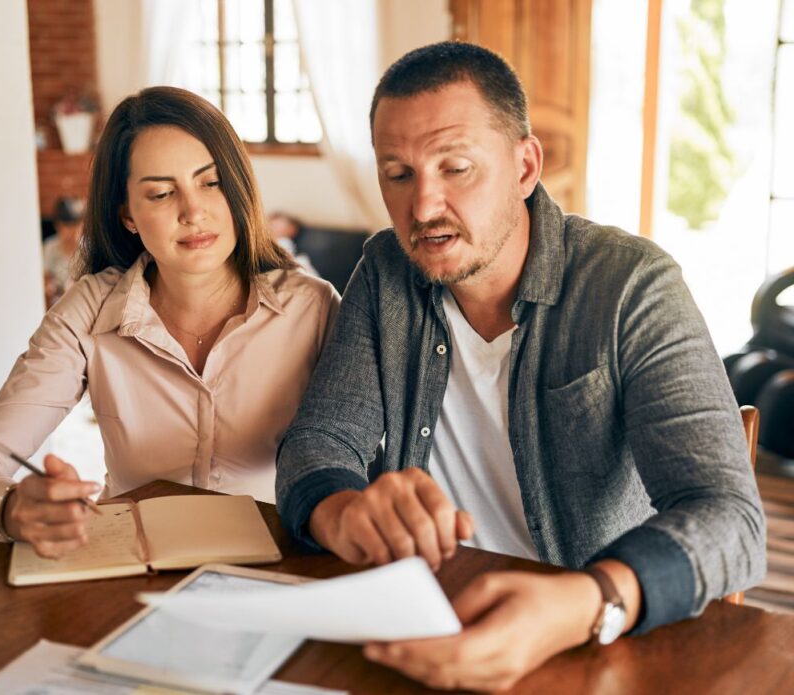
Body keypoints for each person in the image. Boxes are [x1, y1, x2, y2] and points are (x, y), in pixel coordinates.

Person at [275, 42, 765, 691]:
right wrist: (340, 509)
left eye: (456, 167)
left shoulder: (632, 286)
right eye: (398, 173)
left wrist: (591, 599)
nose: (422, 207)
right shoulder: (385, 274)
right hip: (425, 619)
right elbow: (318, 442)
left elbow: (732, 519)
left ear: (525, 165)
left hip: (592, 639)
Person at [0, 86, 339, 559]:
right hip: (134, 574)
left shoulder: (312, 308)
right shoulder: (88, 312)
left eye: (211, 183)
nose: (194, 211)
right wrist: (9, 507)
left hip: (280, 568)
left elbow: (355, 464)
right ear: (128, 213)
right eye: (162, 193)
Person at [43, 196, 85, 308]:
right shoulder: (50, 247)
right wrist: (49, 286)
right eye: (68, 225)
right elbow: (46, 276)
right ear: (58, 225)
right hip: (58, 304)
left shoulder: (88, 248)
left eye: (76, 224)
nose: (73, 231)